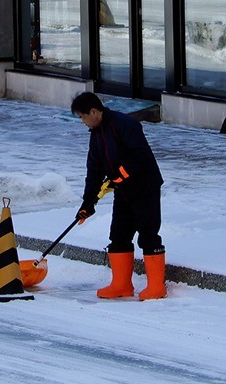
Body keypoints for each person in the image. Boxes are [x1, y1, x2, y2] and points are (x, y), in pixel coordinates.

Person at [71, 91, 166, 300]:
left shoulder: (125, 125)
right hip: (123, 192)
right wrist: (88, 202)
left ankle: (157, 287)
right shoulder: (96, 134)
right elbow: (94, 169)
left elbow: (140, 155)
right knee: (119, 236)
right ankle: (121, 285)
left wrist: (120, 175)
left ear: (93, 112)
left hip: (145, 188)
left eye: (82, 117)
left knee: (148, 235)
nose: (82, 122)